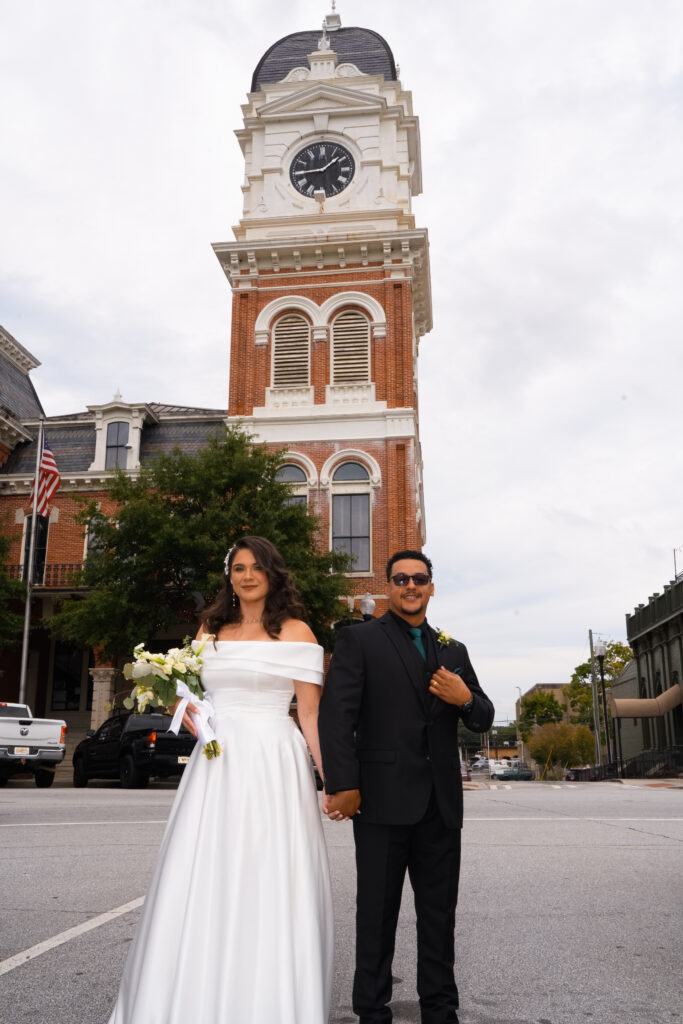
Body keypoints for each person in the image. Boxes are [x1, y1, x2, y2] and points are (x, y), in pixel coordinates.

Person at [106, 536, 333, 1024]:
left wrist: (329, 777)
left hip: (275, 756)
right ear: (229, 576)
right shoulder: (210, 629)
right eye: (237, 568)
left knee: (271, 870)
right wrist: (184, 709)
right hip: (216, 759)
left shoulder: (298, 632)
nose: (246, 576)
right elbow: (186, 693)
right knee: (204, 865)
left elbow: (311, 716)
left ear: (273, 573)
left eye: (255, 567)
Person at [319, 549, 494, 1024]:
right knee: (376, 915)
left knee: (439, 917)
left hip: (440, 805)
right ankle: (371, 1011)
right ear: (388, 586)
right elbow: (337, 718)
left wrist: (464, 699)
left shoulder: (453, 650)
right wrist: (342, 783)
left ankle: (440, 1009)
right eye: (401, 579)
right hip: (379, 801)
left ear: (432, 587)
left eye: (420, 579)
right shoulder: (359, 640)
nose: (410, 586)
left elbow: (484, 716)